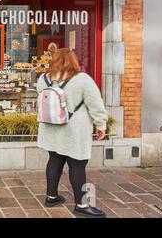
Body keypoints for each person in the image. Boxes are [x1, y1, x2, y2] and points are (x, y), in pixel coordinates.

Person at [36, 48, 108, 218]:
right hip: (74, 130)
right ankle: (82, 205)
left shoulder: (44, 78)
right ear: (74, 61)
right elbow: (95, 104)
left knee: (54, 160)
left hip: (50, 127)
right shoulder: (82, 79)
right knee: (77, 165)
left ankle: (51, 197)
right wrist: (101, 125)